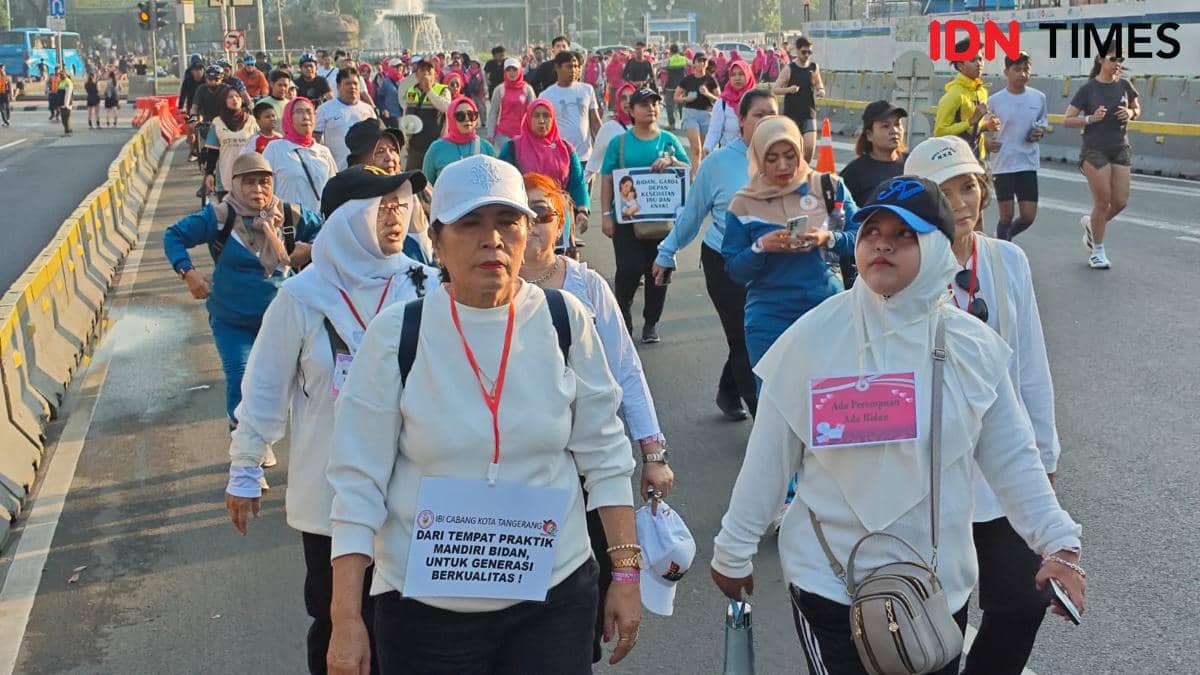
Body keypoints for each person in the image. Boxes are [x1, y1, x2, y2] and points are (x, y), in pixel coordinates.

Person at [710, 175, 1086, 675]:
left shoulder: (971, 348)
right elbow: (770, 456)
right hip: (830, 585)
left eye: (904, 234)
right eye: (871, 231)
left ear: (935, 248)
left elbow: (1013, 457)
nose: (882, 243)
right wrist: (733, 549)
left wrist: (1058, 543)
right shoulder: (815, 339)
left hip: (935, 587)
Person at [324, 155, 642, 674]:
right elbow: (357, 485)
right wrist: (345, 617)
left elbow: (606, 455)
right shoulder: (396, 335)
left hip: (553, 597)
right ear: (437, 239)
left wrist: (625, 576)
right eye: (470, 223)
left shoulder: (565, 321)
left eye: (508, 221)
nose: (491, 239)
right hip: (425, 613)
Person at [225, 166, 435, 675]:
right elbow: (265, 387)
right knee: (336, 620)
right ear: (344, 219)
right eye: (380, 205)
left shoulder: (425, 286)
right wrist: (247, 464)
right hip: (330, 497)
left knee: (413, 625)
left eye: (400, 203)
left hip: (417, 491)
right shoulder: (303, 297)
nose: (395, 215)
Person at [905, 133, 1065, 675]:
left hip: (1001, 475)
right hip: (929, 480)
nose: (961, 202)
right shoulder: (900, 269)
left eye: (970, 186)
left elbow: (1030, 366)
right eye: (945, 191)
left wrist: (1043, 459)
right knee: (937, 625)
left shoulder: (1008, 261)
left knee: (1023, 602)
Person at [520, 172, 670, 664]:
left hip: (586, 465)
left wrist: (652, 452)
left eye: (543, 213)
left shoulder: (586, 287)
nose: (532, 223)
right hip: (517, 471)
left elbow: (626, 369)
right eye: (520, 213)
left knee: (582, 589)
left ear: (560, 223)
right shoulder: (480, 290)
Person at [162, 152, 322, 426]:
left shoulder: (287, 214)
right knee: (240, 374)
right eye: (250, 182)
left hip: (280, 319)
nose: (258, 189)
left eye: (264, 182)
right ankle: (242, 438)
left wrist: (311, 250)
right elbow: (173, 236)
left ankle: (265, 433)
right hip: (231, 320)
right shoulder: (220, 217)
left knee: (284, 380)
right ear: (235, 184)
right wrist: (188, 273)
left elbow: (328, 233)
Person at [652, 90, 778, 421]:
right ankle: (763, 420)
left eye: (773, 114)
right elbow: (692, 214)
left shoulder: (787, 159)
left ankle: (729, 389)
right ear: (741, 120)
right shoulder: (717, 164)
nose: (767, 122)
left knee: (764, 334)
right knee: (743, 336)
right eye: (758, 115)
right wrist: (666, 253)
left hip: (773, 264)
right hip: (726, 261)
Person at [720, 115, 858, 369]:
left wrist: (827, 238)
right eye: (772, 159)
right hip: (770, 318)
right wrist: (761, 247)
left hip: (826, 309)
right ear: (759, 158)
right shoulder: (743, 203)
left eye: (790, 155)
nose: (783, 165)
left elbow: (861, 238)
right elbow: (734, 269)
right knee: (775, 402)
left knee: (827, 398)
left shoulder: (830, 187)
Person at [599, 88, 690, 343]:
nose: (650, 108)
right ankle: (623, 317)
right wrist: (606, 214)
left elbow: (689, 171)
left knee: (659, 273)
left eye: (654, 103)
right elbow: (607, 179)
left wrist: (671, 161)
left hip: (661, 222)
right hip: (627, 218)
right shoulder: (620, 143)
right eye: (643, 104)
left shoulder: (669, 140)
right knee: (628, 270)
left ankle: (651, 323)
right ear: (631, 111)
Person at [1064, 51, 1139, 270]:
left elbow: (1137, 108)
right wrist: (1090, 119)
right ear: (1101, 60)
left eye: (1120, 60)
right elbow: (1067, 120)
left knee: (1120, 201)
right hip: (1094, 150)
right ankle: (1097, 251)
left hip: (1120, 147)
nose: (1117, 63)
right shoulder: (1088, 89)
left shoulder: (1125, 85)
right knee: (1103, 201)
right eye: (1113, 59)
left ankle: (1092, 224)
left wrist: (1130, 113)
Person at [499, 100, 590, 250]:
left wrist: (582, 210)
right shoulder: (513, 147)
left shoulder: (565, 149)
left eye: (546, 116)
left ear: (553, 119)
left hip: (559, 216)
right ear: (528, 118)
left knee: (558, 261)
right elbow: (503, 180)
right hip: (525, 215)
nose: (542, 121)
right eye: (536, 116)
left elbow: (578, 182)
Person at [839, 100, 909, 290]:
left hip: (907, 255)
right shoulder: (854, 173)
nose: (894, 130)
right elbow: (841, 219)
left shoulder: (912, 164)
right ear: (869, 134)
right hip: (870, 259)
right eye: (885, 126)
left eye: (897, 124)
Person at [984, 51, 1048, 242]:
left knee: (1028, 216)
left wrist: (1038, 133)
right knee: (1006, 215)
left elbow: (1042, 123)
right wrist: (987, 143)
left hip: (1027, 162)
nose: (1022, 74)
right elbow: (982, 128)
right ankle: (1004, 248)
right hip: (1003, 163)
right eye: (1017, 69)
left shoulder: (1039, 98)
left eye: (1026, 69)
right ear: (1006, 71)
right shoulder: (994, 101)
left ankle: (1002, 238)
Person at [261, 97, 338, 213]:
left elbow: (334, 189)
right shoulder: (275, 148)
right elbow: (264, 189)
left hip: (319, 226)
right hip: (288, 226)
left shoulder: (324, 151)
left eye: (309, 112)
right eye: (299, 112)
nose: (306, 117)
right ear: (288, 118)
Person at [935, 38, 997, 162]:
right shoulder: (954, 94)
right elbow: (940, 132)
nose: (979, 64)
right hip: (957, 161)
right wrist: (971, 121)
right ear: (960, 65)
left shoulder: (981, 91)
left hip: (978, 159)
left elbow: (972, 129)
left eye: (980, 59)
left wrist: (986, 126)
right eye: (972, 60)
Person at [540, 50, 603, 169]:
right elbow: (543, 128)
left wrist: (604, 145)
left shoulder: (587, 90)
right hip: (559, 157)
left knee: (585, 188)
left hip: (585, 157)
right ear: (557, 67)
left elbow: (595, 121)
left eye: (576, 66)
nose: (573, 70)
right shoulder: (546, 95)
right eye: (569, 66)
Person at [420, 96, 495, 186]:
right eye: (460, 116)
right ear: (451, 118)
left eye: (471, 115)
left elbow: (495, 182)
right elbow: (426, 185)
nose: (467, 119)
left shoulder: (486, 148)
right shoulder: (436, 148)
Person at [772, 37, 826, 163]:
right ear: (796, 51)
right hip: (792, 115)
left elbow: (819, 83)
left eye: (809, 52)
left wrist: (820, 90)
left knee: (809, 147)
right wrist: (789, 90)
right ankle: (794, 172)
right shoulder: (789, 69)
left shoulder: (814, 67)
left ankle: (804, 172)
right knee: (793, 149)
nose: (807, 55)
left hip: (809, 113)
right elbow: (775, 89)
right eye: (804, 52)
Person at [315, 67, 378, 170]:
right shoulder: (325, 109)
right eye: (348, 83)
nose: (352, 87)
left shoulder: (368, 109)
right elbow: (316, 140)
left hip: (365, 170)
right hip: (337, 170)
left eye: (355, 83)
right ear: (338, 86)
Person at [204, 86, 260, 198]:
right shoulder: (217, 122)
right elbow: (212, 152)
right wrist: (209, 174)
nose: (235, 99)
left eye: (237, 96)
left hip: (249, 176)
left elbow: (259, 148)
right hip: (225, 178)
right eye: (230, 97)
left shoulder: (252, 121)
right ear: (224, 100)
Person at [399, 58, 451, 171]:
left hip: (436, 144)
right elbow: (407, 114)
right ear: (417, 74)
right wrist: (405, 138)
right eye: (422, 69)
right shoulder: (411, 90)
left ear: (435, 74)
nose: (426, 72)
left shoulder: (443, 90)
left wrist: (429, 91)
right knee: (412, 177)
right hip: (415, 146)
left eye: (429, 69)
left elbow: (446, 108)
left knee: (433, 178)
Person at [674, 52, 719, 177]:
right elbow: (676, 96)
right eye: (699, 61)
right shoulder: (687, 79)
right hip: (690, 114)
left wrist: (707, 94)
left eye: (704, 61)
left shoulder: (710, 80)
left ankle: (704, 176)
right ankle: (695, 176)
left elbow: (719, 98)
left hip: (706, 114)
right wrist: (685, 99)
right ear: (694, 63)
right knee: (696, 148)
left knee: (705, 150)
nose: (702, 63)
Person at [704, 61, 755, 154]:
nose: (737, 78)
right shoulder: (723, 102)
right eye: (733, 75)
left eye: (741, 74)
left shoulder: (757, 101)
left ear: (748, 75)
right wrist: (707, 148)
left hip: (753, 157)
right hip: (728, 156)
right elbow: (714, 130)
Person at [486, 57, 535, 149]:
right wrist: (490, 134)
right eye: (509, 70)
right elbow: (493, 113)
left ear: (520, 70)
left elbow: (533, 112)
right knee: (507, 160)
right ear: (505, 72)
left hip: (523, 133)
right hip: (504, 133)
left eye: (514, 69)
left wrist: (534, 133)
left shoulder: (527, 89)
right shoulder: (500, 89)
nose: (512, 73)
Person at [661, 44, 689, 130]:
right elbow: (693, 65)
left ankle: (672, 124)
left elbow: (660, 66)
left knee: (670, 107)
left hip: (670, 87)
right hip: (682, 87)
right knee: (683, 106)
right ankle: (685, 124)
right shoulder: (684, 59)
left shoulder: (668, 60)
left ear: (671, 51)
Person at [57, 70, 75, 136]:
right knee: (64, 118)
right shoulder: (61, 82)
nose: (60, 76)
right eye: (60, 75)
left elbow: (68, 94)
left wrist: (66, 104)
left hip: (66, 103)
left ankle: (67, 132)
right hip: (62, 103)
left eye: (61, 75)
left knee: (65, 118)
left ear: (65, 75)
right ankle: (68, 130)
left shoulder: (68, 82)